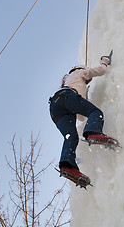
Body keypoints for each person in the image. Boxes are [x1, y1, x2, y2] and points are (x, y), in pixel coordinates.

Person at [49, 51, 114, 181]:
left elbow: (80, 117)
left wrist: (83, 98)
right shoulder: (79, 72)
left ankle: (68, 166)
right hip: (67, 97)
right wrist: (104, 61)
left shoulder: (69, 82)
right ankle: (93, 132)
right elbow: (101, 71)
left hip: (55, 108)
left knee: (71, 137)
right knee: (96, 113)